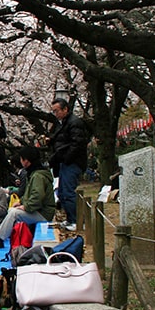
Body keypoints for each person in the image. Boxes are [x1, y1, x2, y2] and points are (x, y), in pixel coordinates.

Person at [0, 146, 56, 242]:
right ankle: (13, 237)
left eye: (22, 159)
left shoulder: (37, 176)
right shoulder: (34, 174)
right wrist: (21, 202)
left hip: (43, 213)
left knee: (14, 213)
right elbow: (29, 194)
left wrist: (25, 206)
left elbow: (37, 197)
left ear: (26, 161)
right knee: (12, 210)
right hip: (40, 210)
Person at [48, 98, 89, 231]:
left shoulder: (74, 122)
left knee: (68, 192)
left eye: (57, 111)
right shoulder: (64, 123)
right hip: (64, 162)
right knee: (62, 192)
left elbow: (77, 144)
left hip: (72, 162)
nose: (55, 114)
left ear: (65, 109)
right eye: (53, 111)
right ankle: (70, 218)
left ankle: (76, 220)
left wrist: (65, 157)